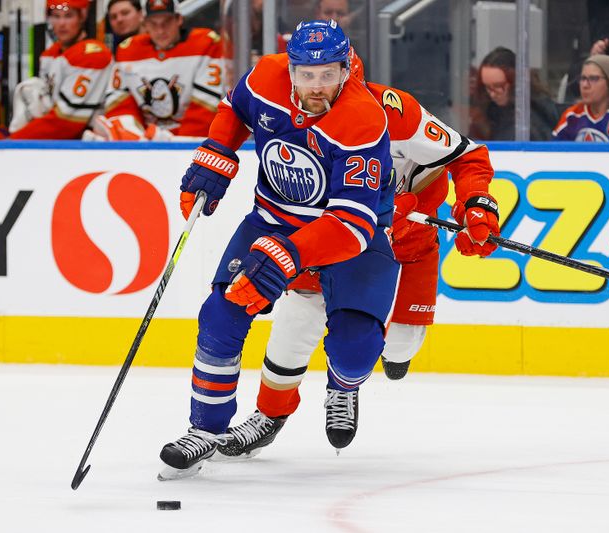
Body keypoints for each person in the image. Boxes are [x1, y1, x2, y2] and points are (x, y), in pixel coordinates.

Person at [210, 47, 500, 461]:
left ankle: (344, 383)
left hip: (404, 246)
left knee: (397, 350)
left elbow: (467, 156)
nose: (320, 97)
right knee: (295, 324)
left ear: (348, 79)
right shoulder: (300, 116)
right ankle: (269, 415)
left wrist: (475, 205)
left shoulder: (394, 113)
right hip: (335, 244)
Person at [158, 20, 399, 480]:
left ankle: (343, 386)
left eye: (327, 74)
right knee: (221, 311)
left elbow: (354, 223)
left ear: (346, 68)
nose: (316, 86)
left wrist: (288, 253)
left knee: (355, 351)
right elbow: (234, 108)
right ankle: (205, 430)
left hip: (349, 243)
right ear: (290, 69)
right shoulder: (266, 76)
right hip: (272, 219)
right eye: (306, 75)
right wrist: (216, 152)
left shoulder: (362, 118)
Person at [95, 0, 225, 141]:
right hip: (148, 142)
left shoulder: (205, 44)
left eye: (167, 22)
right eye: (153, 23)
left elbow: (205, 106)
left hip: (194, 142)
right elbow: (120, 105)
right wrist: (138, 139)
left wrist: (175, 145)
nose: (160, 30)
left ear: (179, 19)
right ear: (144, 24)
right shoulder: (128, 51)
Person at [4, 0, 112, 139]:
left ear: (82, 17)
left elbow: (68, 121)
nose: (61, 23)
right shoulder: (50, 54)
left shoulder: (94, 55)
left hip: (93, 146)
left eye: (68, 16)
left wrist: (14, 141)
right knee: (29, 89)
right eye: (56, 16)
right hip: (63, 143)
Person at [470, 46, 558, 141]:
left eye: (499, 86)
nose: (492, 94)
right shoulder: (488, 115)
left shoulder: (530, 122)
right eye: (487, 87)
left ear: (516, 83)